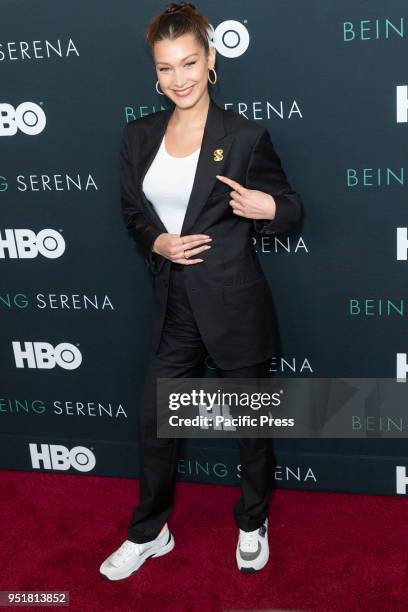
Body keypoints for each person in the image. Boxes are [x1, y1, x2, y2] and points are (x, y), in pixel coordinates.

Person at [100, 1, 303, 580]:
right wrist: (156, 243)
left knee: (251, 428)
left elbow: (291, 207)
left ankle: (252, 520)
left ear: (211, 60)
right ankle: (150, 531)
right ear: (155, 74)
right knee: (153, 423)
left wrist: (270, 209)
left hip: (235, 306)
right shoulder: (138, 136)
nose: (179, 78)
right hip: (175, 308)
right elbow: (132, 215)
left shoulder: (243, 136)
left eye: (189, 62)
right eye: (167, 68)